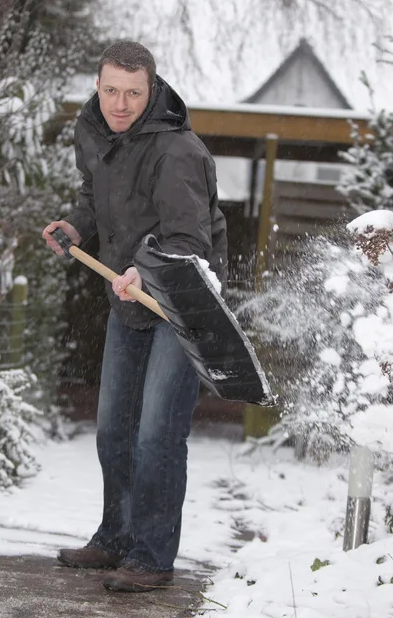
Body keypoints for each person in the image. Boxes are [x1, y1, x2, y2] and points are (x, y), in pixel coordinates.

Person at [42, 41, 227, 593]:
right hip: (128, 296)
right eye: (110, 91)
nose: (120, 104)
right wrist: (78, 225)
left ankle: (150, 557)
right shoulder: (94, 131)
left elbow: (189, 238)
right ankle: (116, 538)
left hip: (180, 302)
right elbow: (95, 193)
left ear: (152, 92)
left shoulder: (177, 151)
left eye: (133, 93)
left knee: (157, 436)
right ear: (98, 86)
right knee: (113, 429)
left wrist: (145, 271)